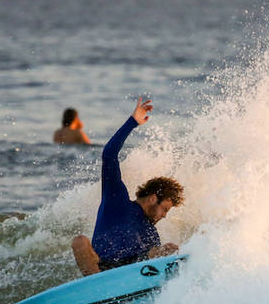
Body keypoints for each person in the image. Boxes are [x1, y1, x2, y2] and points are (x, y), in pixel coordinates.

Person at [71, 96, 184, 276]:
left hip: (132, 273)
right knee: (79, 242)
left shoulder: (151, 232)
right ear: (153, 198)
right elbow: (109, 155)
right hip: (101, 267)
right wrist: (132, 122)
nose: (164, 216)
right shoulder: (116, 199)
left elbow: (152, 259)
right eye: (164, 209)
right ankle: (96, 285)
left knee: (169, 249)